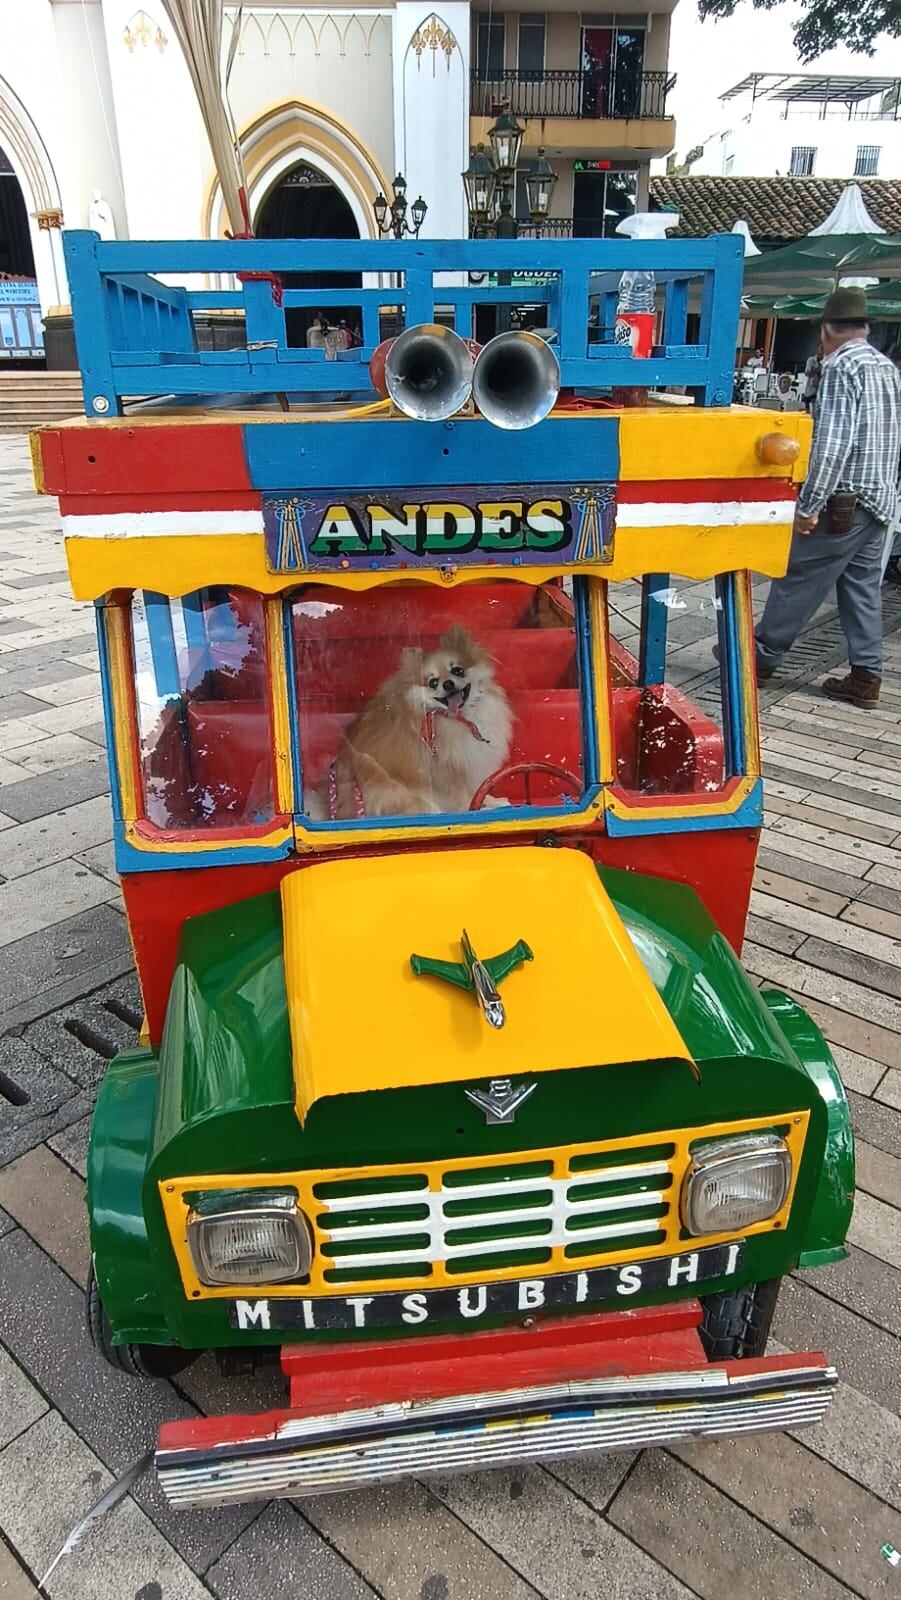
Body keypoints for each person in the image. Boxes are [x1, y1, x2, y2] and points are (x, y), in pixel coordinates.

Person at [754, 286, 900, 708]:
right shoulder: (885, 366)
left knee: (798, 576)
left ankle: (760, 659)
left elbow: (832, 445)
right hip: (879, 497)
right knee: (861, 588)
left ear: (826, 330)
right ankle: (866, 674)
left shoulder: (840, 367)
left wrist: (809, 504)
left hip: (844, 500)